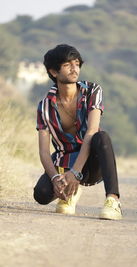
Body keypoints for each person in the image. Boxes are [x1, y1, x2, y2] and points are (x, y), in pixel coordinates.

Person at [33, 44, 122, 220]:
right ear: (54, 72)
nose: (75, 69)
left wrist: (75, 172)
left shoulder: (92, 91)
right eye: (67, 65)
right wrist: (54, 179)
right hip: (64, 162)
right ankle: (69, 193)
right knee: (41, 195)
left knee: (101, 137)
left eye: (77, 63)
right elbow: (44, 151)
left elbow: (91, 131)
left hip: (90, 163)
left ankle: (113, 200)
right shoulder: (44, 107)